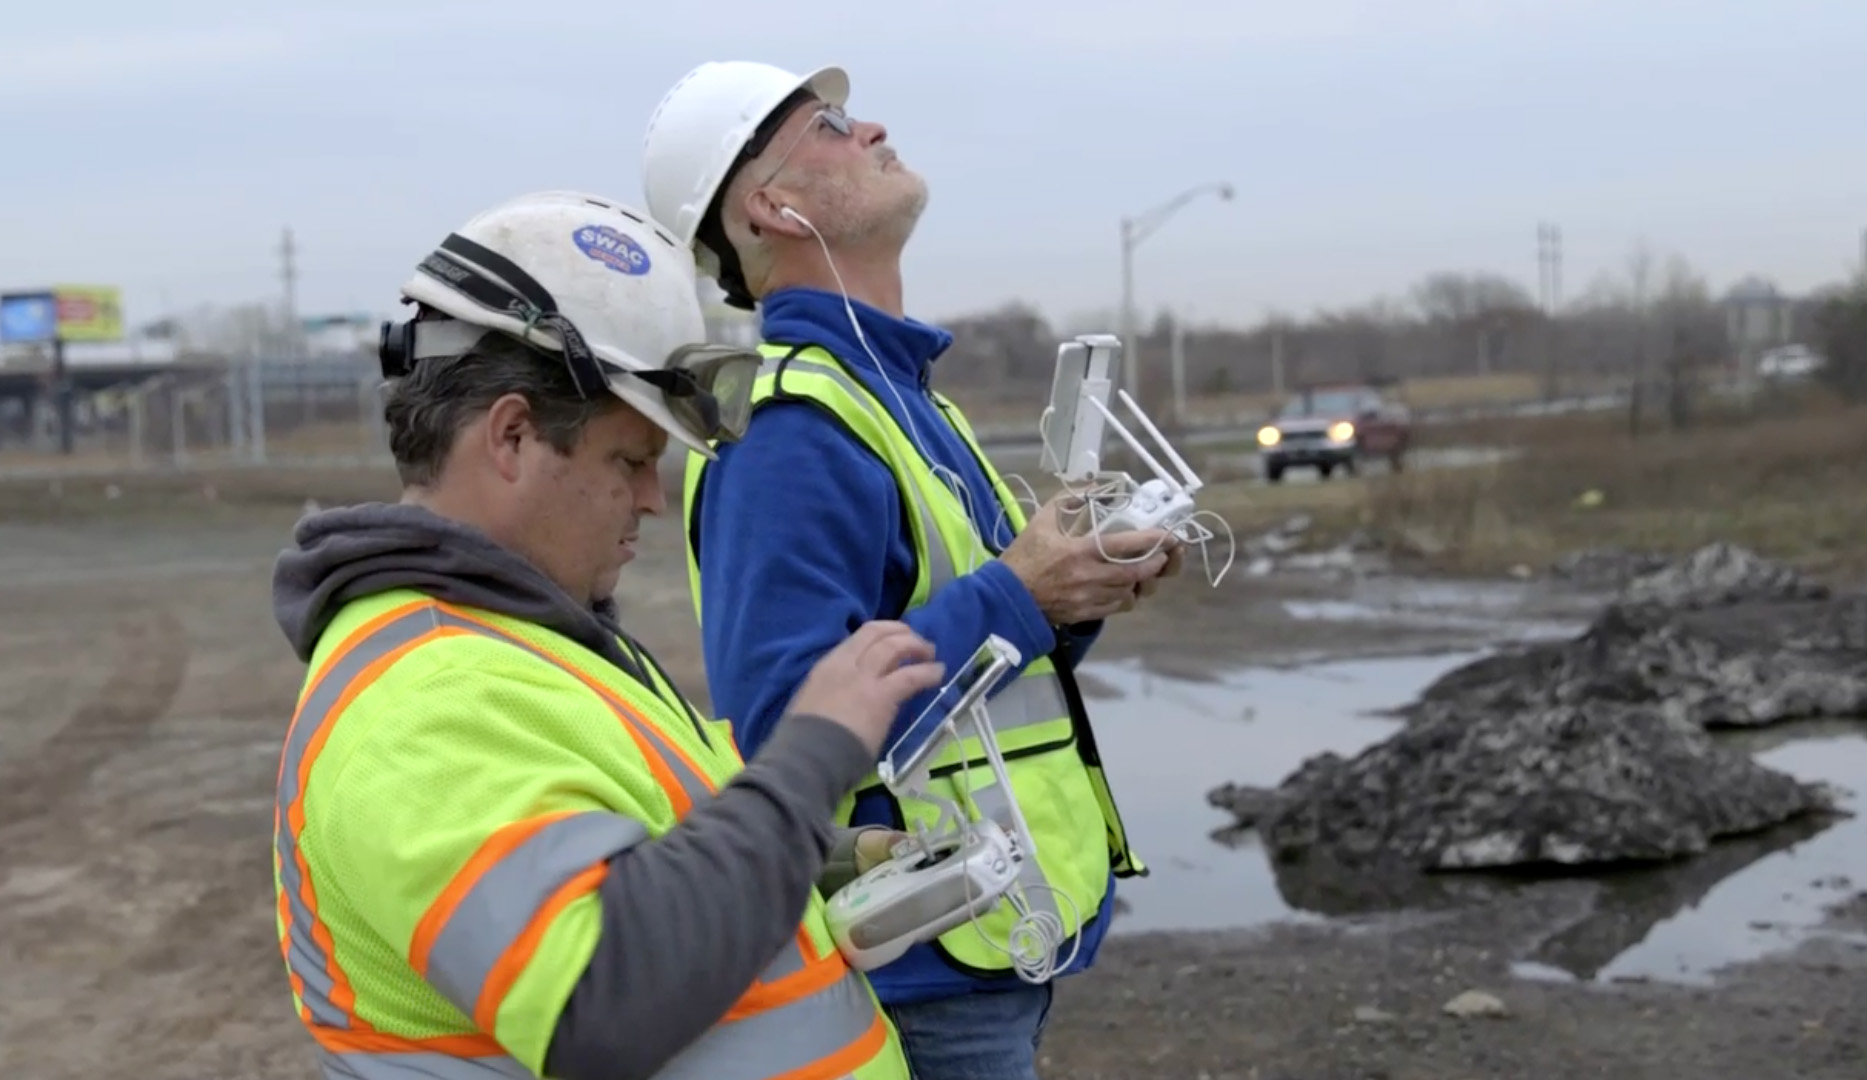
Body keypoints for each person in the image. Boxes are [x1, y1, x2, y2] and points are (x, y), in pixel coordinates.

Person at [266, 189, 945, 1080]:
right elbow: (602, 993)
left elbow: (633, 854)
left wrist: (811, 862)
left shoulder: (528, 640)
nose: (654, 500)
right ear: (512, 437)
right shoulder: (423, 701)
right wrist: (815, 752)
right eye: (630, 459)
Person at [641, 62, 1183, 1080]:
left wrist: (1074, 591)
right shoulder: (793, 433)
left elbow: (992, 656)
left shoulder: (905, 403)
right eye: (832, 125)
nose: (873, 126)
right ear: (773, 204)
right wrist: (1021, 594)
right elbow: (788, 728)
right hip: (923, 961)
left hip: (991, 929)